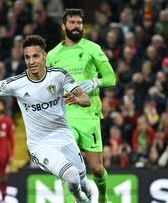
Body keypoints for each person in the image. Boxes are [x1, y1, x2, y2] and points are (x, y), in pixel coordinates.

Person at [0, 35, 92, 203]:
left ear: (44, 56)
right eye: (27, 57)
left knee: (83, 179)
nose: (31, 61)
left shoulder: (59, 76)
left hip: (64, 137)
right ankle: (80, 200)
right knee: (71, 176)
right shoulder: (17, 83)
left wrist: (78, 100)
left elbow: (86, 99)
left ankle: (89, 198)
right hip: (40, 144)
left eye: (35, 56)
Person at [46, 8, 116, 203]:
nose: (76, 26)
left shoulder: (92, 48)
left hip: (88, 115)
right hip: (65, 116)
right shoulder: (53, 55)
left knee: (97, 169)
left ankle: (102, 196)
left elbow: (111, 78)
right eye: (72, 23)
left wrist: (96, 82)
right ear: (63, 26)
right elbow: (49, 87)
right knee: (67, 163)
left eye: (79, 23)